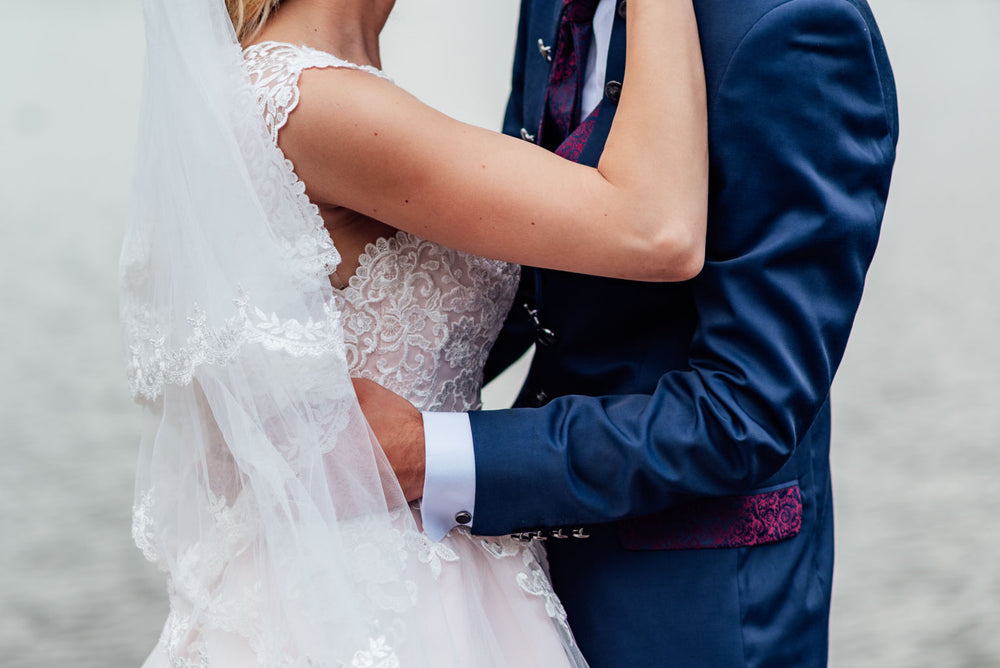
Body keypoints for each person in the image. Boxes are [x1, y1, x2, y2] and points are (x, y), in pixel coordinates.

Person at [121, 0, 706, 665]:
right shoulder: (310, 100)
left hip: (407, 553)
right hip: (380, 596)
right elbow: (658, 230)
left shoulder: (309, 84)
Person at [355, 0, 899, 666]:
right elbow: (532, 259)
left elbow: (744, 411)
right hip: (505, 579)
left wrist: (435, 454)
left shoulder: (799, 27)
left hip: (691, 609)